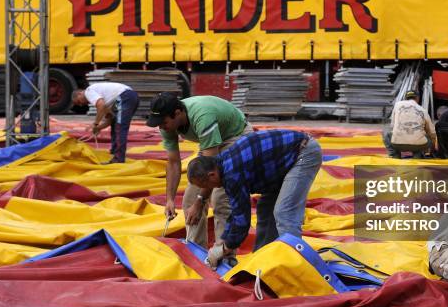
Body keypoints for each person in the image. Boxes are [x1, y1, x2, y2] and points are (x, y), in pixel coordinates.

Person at [186, 129, 322, 268]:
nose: (208, 189)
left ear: (212, 175)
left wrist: (224, 248)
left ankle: (297, 266)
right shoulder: (223, 164)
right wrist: (224, 241)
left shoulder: (232, 174)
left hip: (303, 153)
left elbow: (242, 220)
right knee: (265, 210)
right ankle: (262, 260)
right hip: (280, 165)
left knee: (284, 212)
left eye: (205, 185)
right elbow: (236, 210)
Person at [145, 92, 253, 258]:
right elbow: (173, 162)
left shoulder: (202, 116)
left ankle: (225, 256)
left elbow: (211, 172)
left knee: (220, 199)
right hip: (211, 142)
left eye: (164, 123)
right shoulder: (167, 123)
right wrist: (170, 200)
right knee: (189, 200)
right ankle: (197, 254)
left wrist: (200, 201)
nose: (161, 127)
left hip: (235, 136)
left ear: (178, 113)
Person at [72, 82, 139, 163]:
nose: (81, 105)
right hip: (129, 96)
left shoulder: (88, 92)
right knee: (116, 124)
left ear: (80, 93)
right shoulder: (108, 98)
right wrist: (99, 128)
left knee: (120, 128)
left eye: (78, 102)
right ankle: (115, 152)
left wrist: (95, 123)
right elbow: (110, 119)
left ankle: (118, 158)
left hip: (125, 96)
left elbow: (100, 105)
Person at [383, 90, 436, 158]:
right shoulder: (423, 110)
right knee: (426, 135)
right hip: (419, 145)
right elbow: (432, 132)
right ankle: (418, 155)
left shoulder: (397, 105)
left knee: (386, 132)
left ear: (406, 98)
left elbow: (393, 125)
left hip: (397, 144)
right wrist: (432, 148)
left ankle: (395, 156)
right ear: (417, 98)